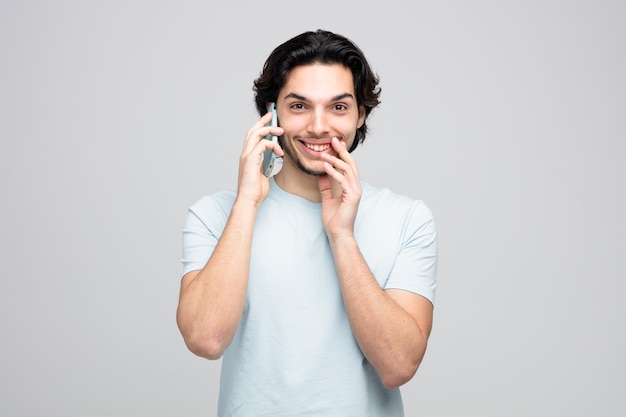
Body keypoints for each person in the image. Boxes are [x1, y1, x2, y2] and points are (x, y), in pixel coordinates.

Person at [176, 29, 438, 417]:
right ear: (271, 111)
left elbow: (398, 365)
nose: (318, 127)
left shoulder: (407, 219)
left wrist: (342, 235)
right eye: (299, 106)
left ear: (360, 114)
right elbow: (206, 339)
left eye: (338, 107)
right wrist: (247, 202)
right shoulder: (214, 214)